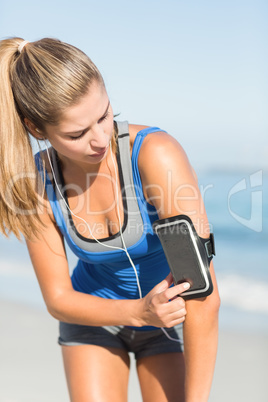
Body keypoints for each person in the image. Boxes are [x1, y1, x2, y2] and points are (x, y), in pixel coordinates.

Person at [0, 37, 220, 402]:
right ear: (37, 130)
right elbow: (57, 298)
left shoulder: (155, 155)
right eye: (76, 133)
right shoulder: (36, 181)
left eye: (103, 115)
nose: (100, 139)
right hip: (93, 317)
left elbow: (202, 295)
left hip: (167, 322)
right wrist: (138, 311)